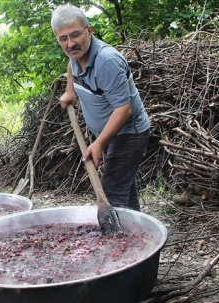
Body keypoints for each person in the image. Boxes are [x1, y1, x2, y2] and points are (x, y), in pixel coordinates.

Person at [51, 4, 151, 211]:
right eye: (63, 38)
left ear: (89, 31)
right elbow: (72, 64)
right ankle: (139, 237)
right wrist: (70, 91)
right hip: (111, 134)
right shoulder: (76, 55)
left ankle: (116, 242)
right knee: (125, 192)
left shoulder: (106, 62)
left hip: (128, 133)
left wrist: (98, 144)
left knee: (111, 198)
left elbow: (124, 110)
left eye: (75, 35)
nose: (70, 43)